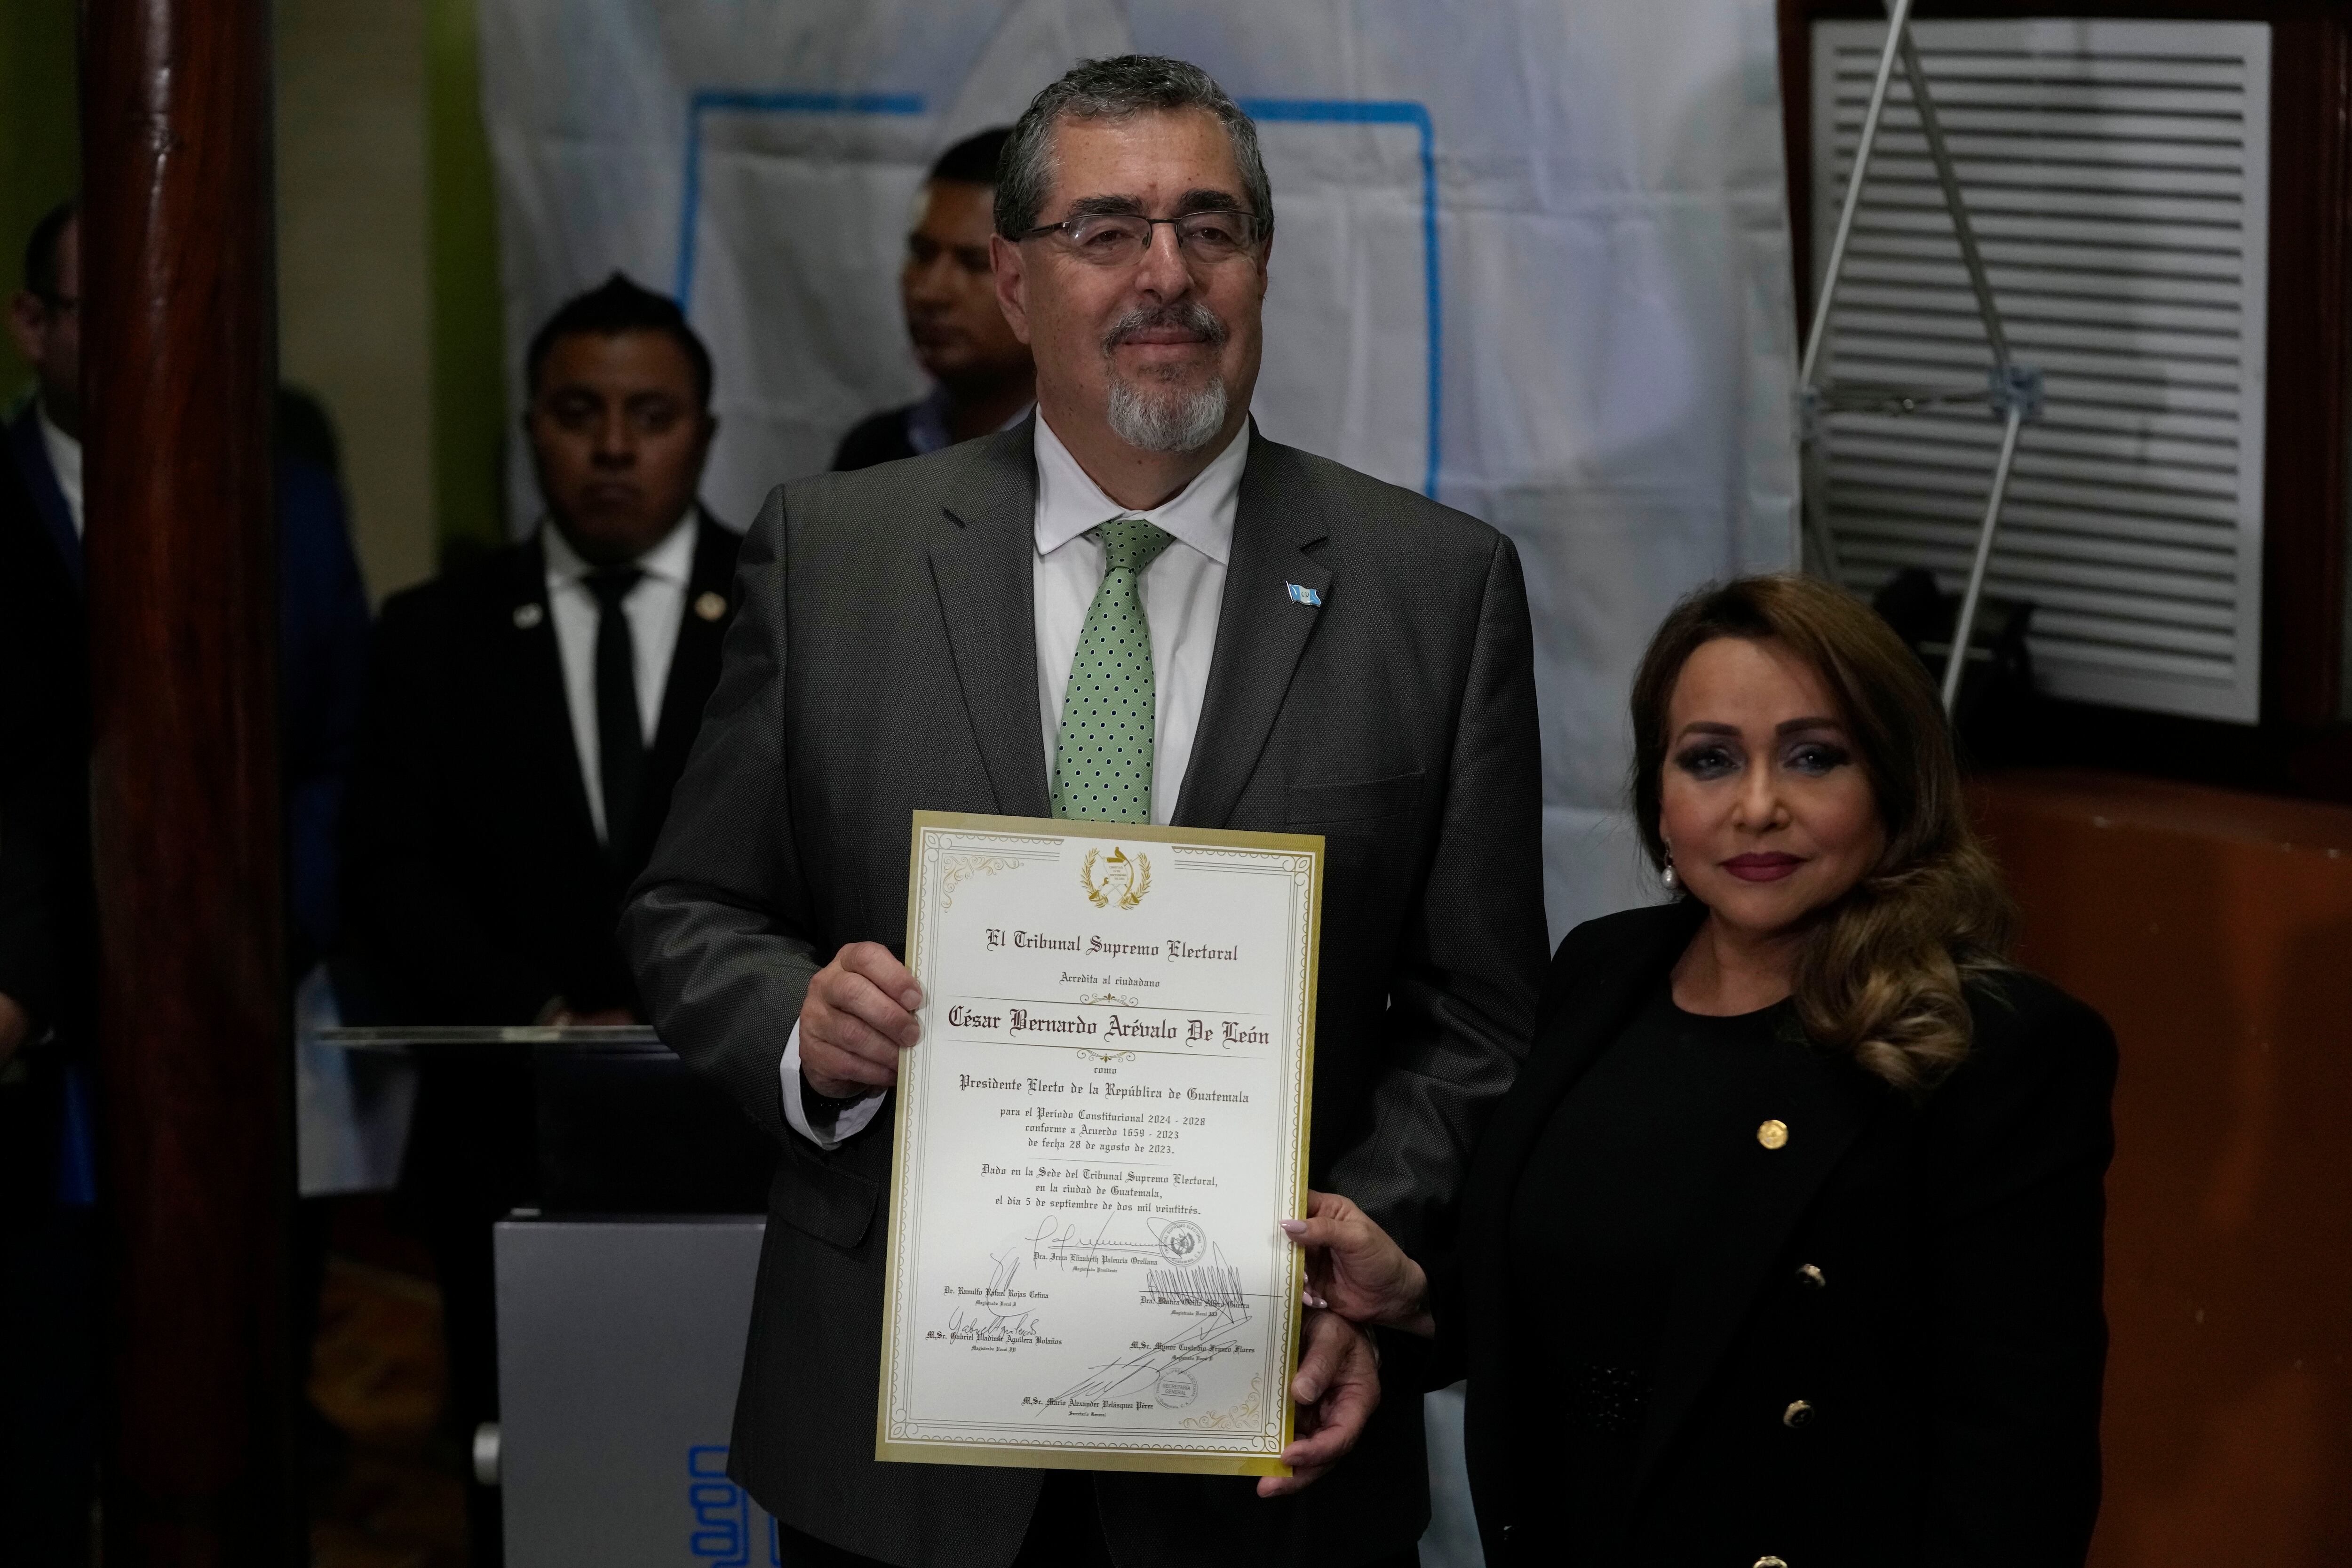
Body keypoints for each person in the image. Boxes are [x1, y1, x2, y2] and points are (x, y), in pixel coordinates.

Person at [623, 54, 1547, 1568]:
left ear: (1262, 264)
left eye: (1210, 228)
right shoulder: (835, 555)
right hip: (896, 1431)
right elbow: (690, 906)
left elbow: (1482, 1011)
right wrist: (799, 1026)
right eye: (1106, 230)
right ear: (1012, 278)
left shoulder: (1434, 591)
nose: (1166, 274)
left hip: (1259, 1424)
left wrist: (1374, 1231)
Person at [1283, 573, 2117, 1567]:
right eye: (1711, 759)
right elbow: (1590, 1297)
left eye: (1814, 756)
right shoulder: (1603, 971)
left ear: (1895, 786)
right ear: (1660, 798)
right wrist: (1416, 1292)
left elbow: (2019, 1471)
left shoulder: (1993, 1046)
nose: (1758, 807)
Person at [340, 271, 744, 1565]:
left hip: (744, 1135)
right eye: (579, 413)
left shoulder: (788, 610)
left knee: (735, 1470)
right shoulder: (435, 631)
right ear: (531, 429)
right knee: (529, 1482)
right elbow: (389, 872)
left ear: (704, 434)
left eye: (650, 416)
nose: (613, 447)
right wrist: (548, 1016)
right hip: (509, 1139)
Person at [2, 199, 373, 1564]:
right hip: (33, 1054)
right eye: (107, 308)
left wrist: (271, 934)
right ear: (33, 325)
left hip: (243, 1021)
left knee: (240, 1400)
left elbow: (340, 747)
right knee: (42, 1413)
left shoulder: (288, 498)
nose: (150, 338)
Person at [832, 127, 1035, 470]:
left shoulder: (1104, 476)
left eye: (976, 264)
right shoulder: (872, 453)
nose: (929, 292)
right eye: (922, 253)